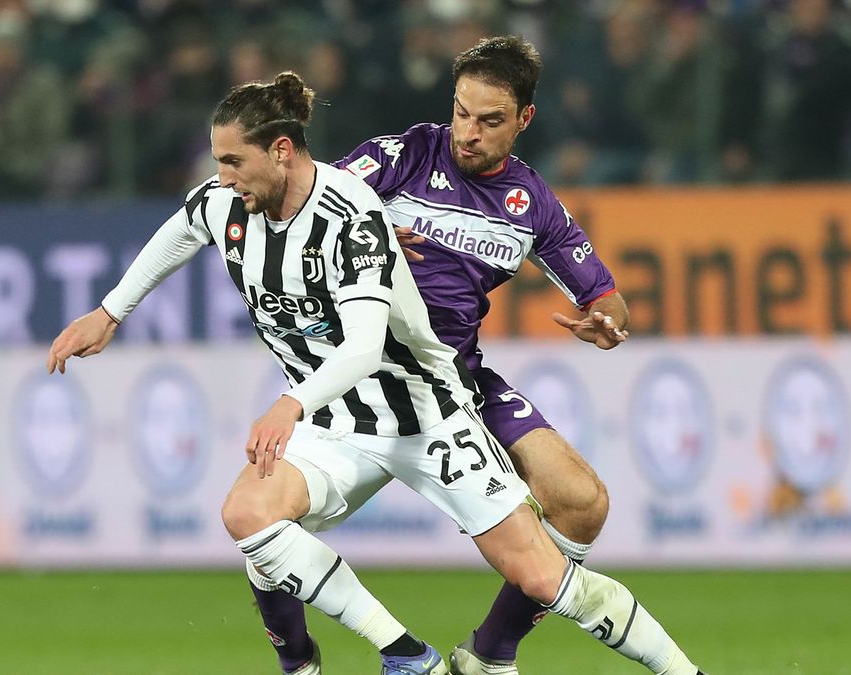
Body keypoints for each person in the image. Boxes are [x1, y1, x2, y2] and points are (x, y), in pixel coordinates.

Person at [47, 71, 702, 675]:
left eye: (232, 162)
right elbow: (186, 223)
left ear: (278, 152)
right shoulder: (234, 202)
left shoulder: (354, 218)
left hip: (424, 408)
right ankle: (397, 653)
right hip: (335, 417)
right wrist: (110, 311)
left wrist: (288, 404)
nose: (222, 178)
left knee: (542, 575)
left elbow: (362, 346)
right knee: (250, 513)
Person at [247, 36, 689, 675]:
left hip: (451, 383)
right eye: (461, 112)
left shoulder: (531, 204)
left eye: (489, 121)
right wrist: (354, 227)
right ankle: (297, 661)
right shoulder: (401, 157)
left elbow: (607, 296)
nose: (468, 133)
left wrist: (607, 322)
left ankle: (489, 656)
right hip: (352, 382)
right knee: (260, 514)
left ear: (524, 120)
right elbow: (315, 202)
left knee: (582, 502)